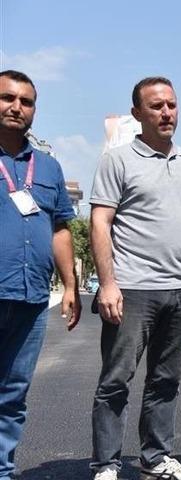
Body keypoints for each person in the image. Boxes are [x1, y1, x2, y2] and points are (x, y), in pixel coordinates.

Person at [88, 77, 181, 480]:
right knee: (116, 379)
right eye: (156, 106)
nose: (166, 113)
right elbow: (100, 222)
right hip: (132, 288)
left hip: (179, 288)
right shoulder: (118, 160)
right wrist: (108, 283)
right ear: (137, 113)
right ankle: (106, 464)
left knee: (166, 379)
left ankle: (155, 458)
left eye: (171, 105)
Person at [0, 69, 80, 480]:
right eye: (8, 98)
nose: (16, 107)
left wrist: (70, 285)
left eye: (25, 102)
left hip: (31, 297)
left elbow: (62, 228)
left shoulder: (48, 167)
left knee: (14, 392)